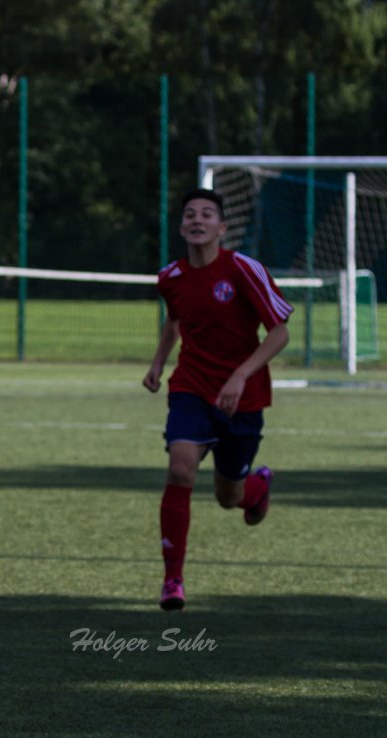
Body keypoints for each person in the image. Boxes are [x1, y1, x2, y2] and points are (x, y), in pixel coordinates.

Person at [142, 188, 292, 611]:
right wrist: (158, 363)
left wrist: (242, 374)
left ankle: (256, 487)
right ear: (182, 226)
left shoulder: (243, 269)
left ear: (222, 227)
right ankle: (173, 580)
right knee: (181, 468)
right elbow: (175, 318)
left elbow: (280, 331)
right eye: (190, 213)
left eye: (207, 214)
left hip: (243, 398)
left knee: (229, 497)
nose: (197, 219)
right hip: (191, 387)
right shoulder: (170, 277)